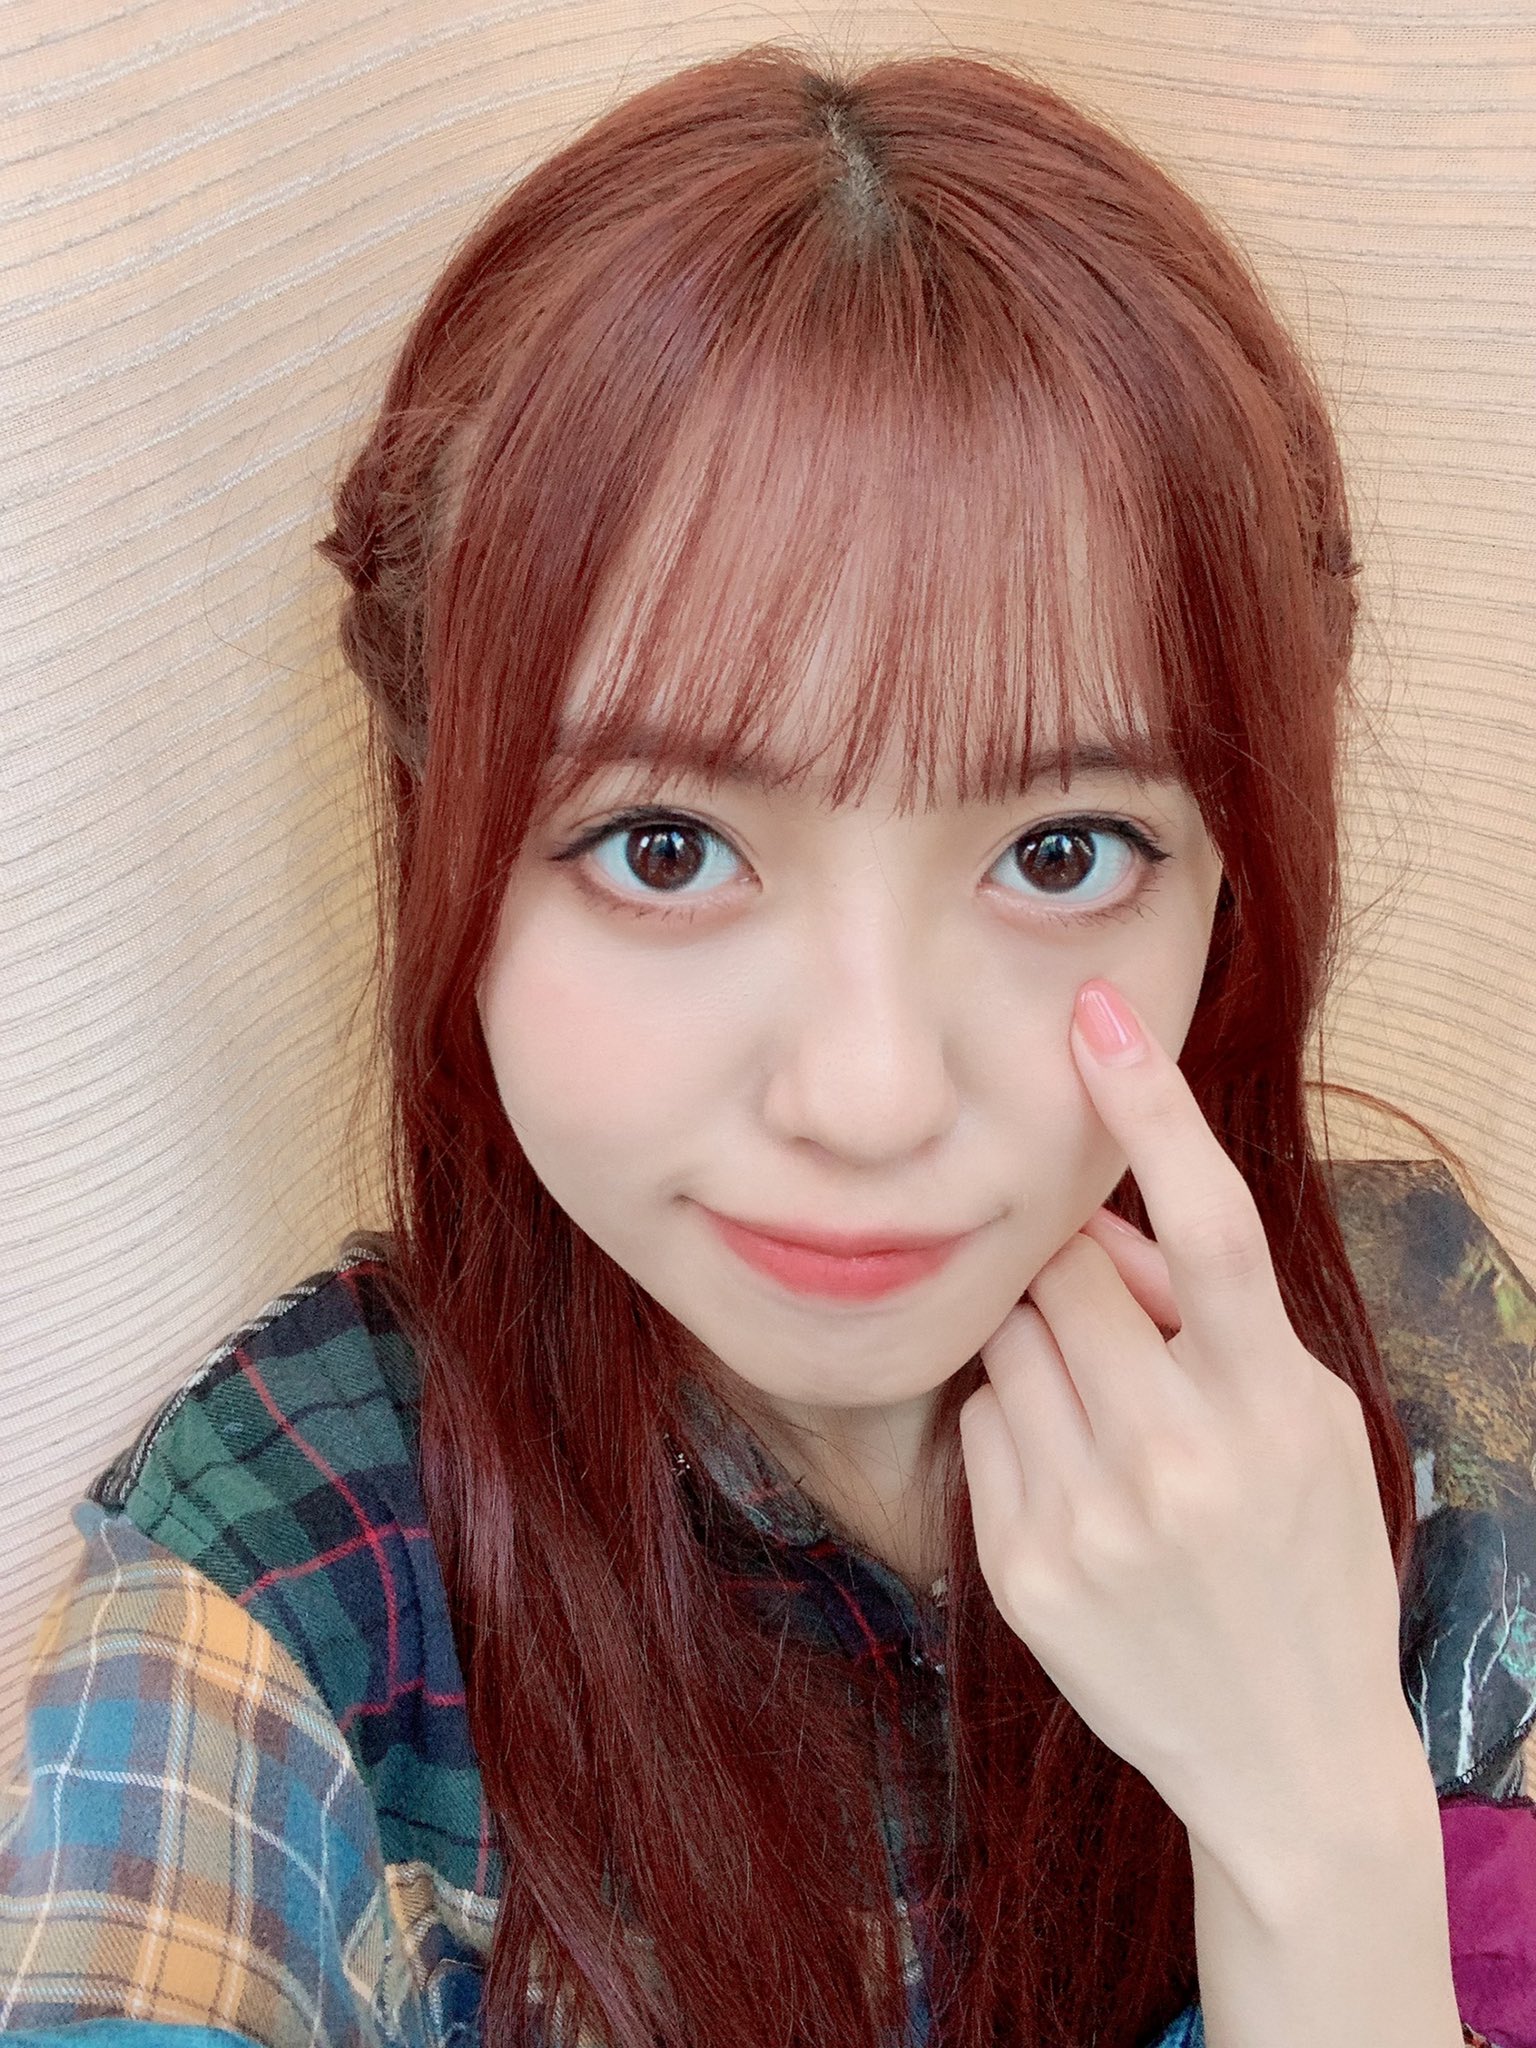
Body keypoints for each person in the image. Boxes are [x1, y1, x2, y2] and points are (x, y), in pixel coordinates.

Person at [2, 37, 1532, 2048]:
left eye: (1063, 850)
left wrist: (1313, 1825)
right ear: (444, 824)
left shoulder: (1406, 1366)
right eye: (666, 847)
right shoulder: (298, 1575)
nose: (872, 1095)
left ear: (1231, 867)